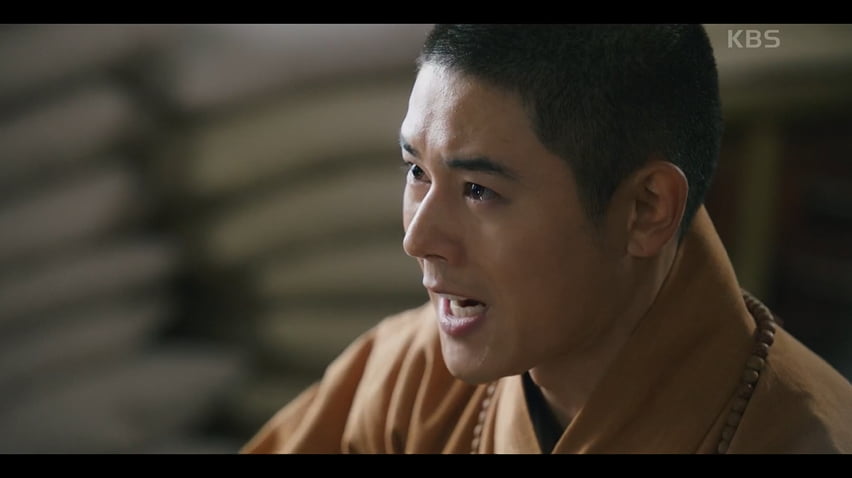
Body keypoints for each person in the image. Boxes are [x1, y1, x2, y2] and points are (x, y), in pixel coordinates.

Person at [241, 24, 852, 454]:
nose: (419, 239)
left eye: (478, 189)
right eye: (416, 172)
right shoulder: (408, 381)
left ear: (645, 210)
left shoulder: (803, 436)